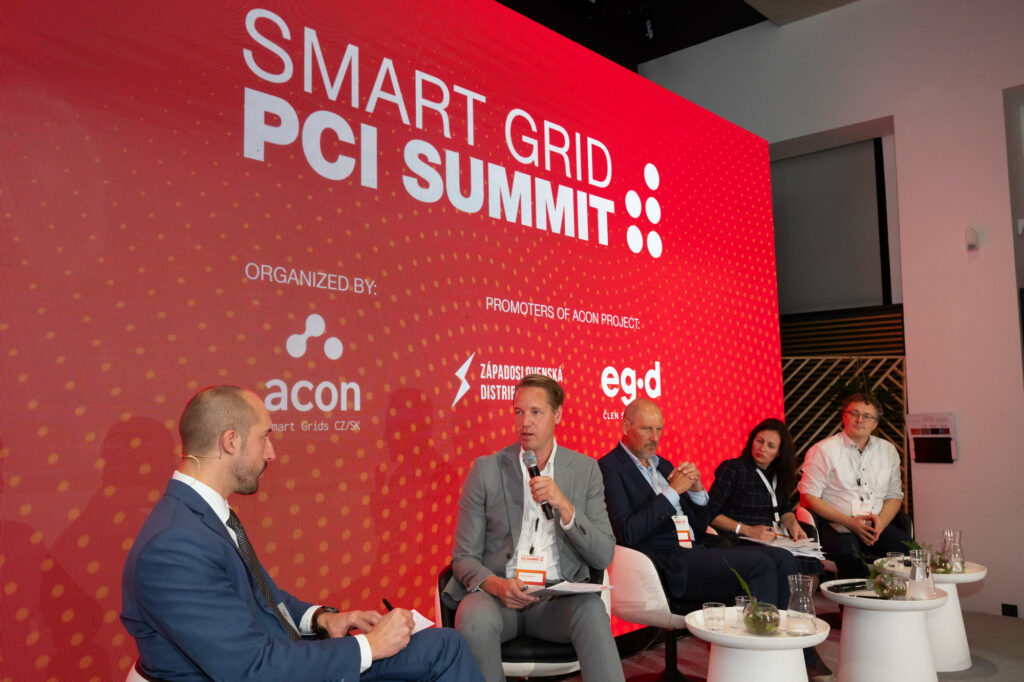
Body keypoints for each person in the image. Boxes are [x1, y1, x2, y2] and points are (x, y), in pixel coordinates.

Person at [121, 385, 482, 682]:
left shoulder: (202, 518)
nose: (271, 453)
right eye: (265, 437)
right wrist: (369, 647)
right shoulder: (174, 546)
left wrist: (323, 618)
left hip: (282, 655)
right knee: (444, 650)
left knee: (444, 645)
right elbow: (250, 668)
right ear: (231, 442)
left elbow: (262, 598)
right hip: (273, 668)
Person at [443, 374, 624, 682]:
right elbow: (463, 557)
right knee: (472, 618)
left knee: (592, 612)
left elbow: (604, 554)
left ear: (558, 415)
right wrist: (498, 586)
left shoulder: (585, 470)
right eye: (519, 412)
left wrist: (565, 507)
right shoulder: (486, 470)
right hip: (498, 597)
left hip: (556, 601)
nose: (525, 422)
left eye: (536, 412)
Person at [598, 398, 787, 612]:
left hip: (697, 549)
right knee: (762, 565)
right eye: (646, 429)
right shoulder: (608, 468)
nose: (654, 437)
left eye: (658, 429)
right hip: (667, 562)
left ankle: (783, 633)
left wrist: (697, 491)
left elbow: (699, 525)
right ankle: (762, 632)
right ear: (626, 427)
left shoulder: (663, 465)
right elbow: (627, 533)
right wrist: (672, 491)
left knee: (783, 558)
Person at [799, 392, 911, 578]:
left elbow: (894, 496)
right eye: (854, 413)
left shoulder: (888, 450)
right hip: (837, 523)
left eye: (867, 416)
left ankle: (896, 595)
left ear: (875, 423)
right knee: (849, 554)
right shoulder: (823, 450)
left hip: (876, 525)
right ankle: (862, 595)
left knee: (911, 551)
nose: (860, 420)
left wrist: (881, 523)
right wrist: (850, 522)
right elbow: (808, 497)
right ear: (844, 416)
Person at [707, 418, 824, 577]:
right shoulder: (733, 468)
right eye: (759, 441)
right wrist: (747, 530)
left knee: (810, 559)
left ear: (779, 452)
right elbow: (710, 513)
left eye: (770, 446)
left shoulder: (779, 473)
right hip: (740, 537)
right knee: (783, 559)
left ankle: (803, 595)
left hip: (774, 537)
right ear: (752, 441)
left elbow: (784, 509)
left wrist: (793, 524)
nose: (762, 448)